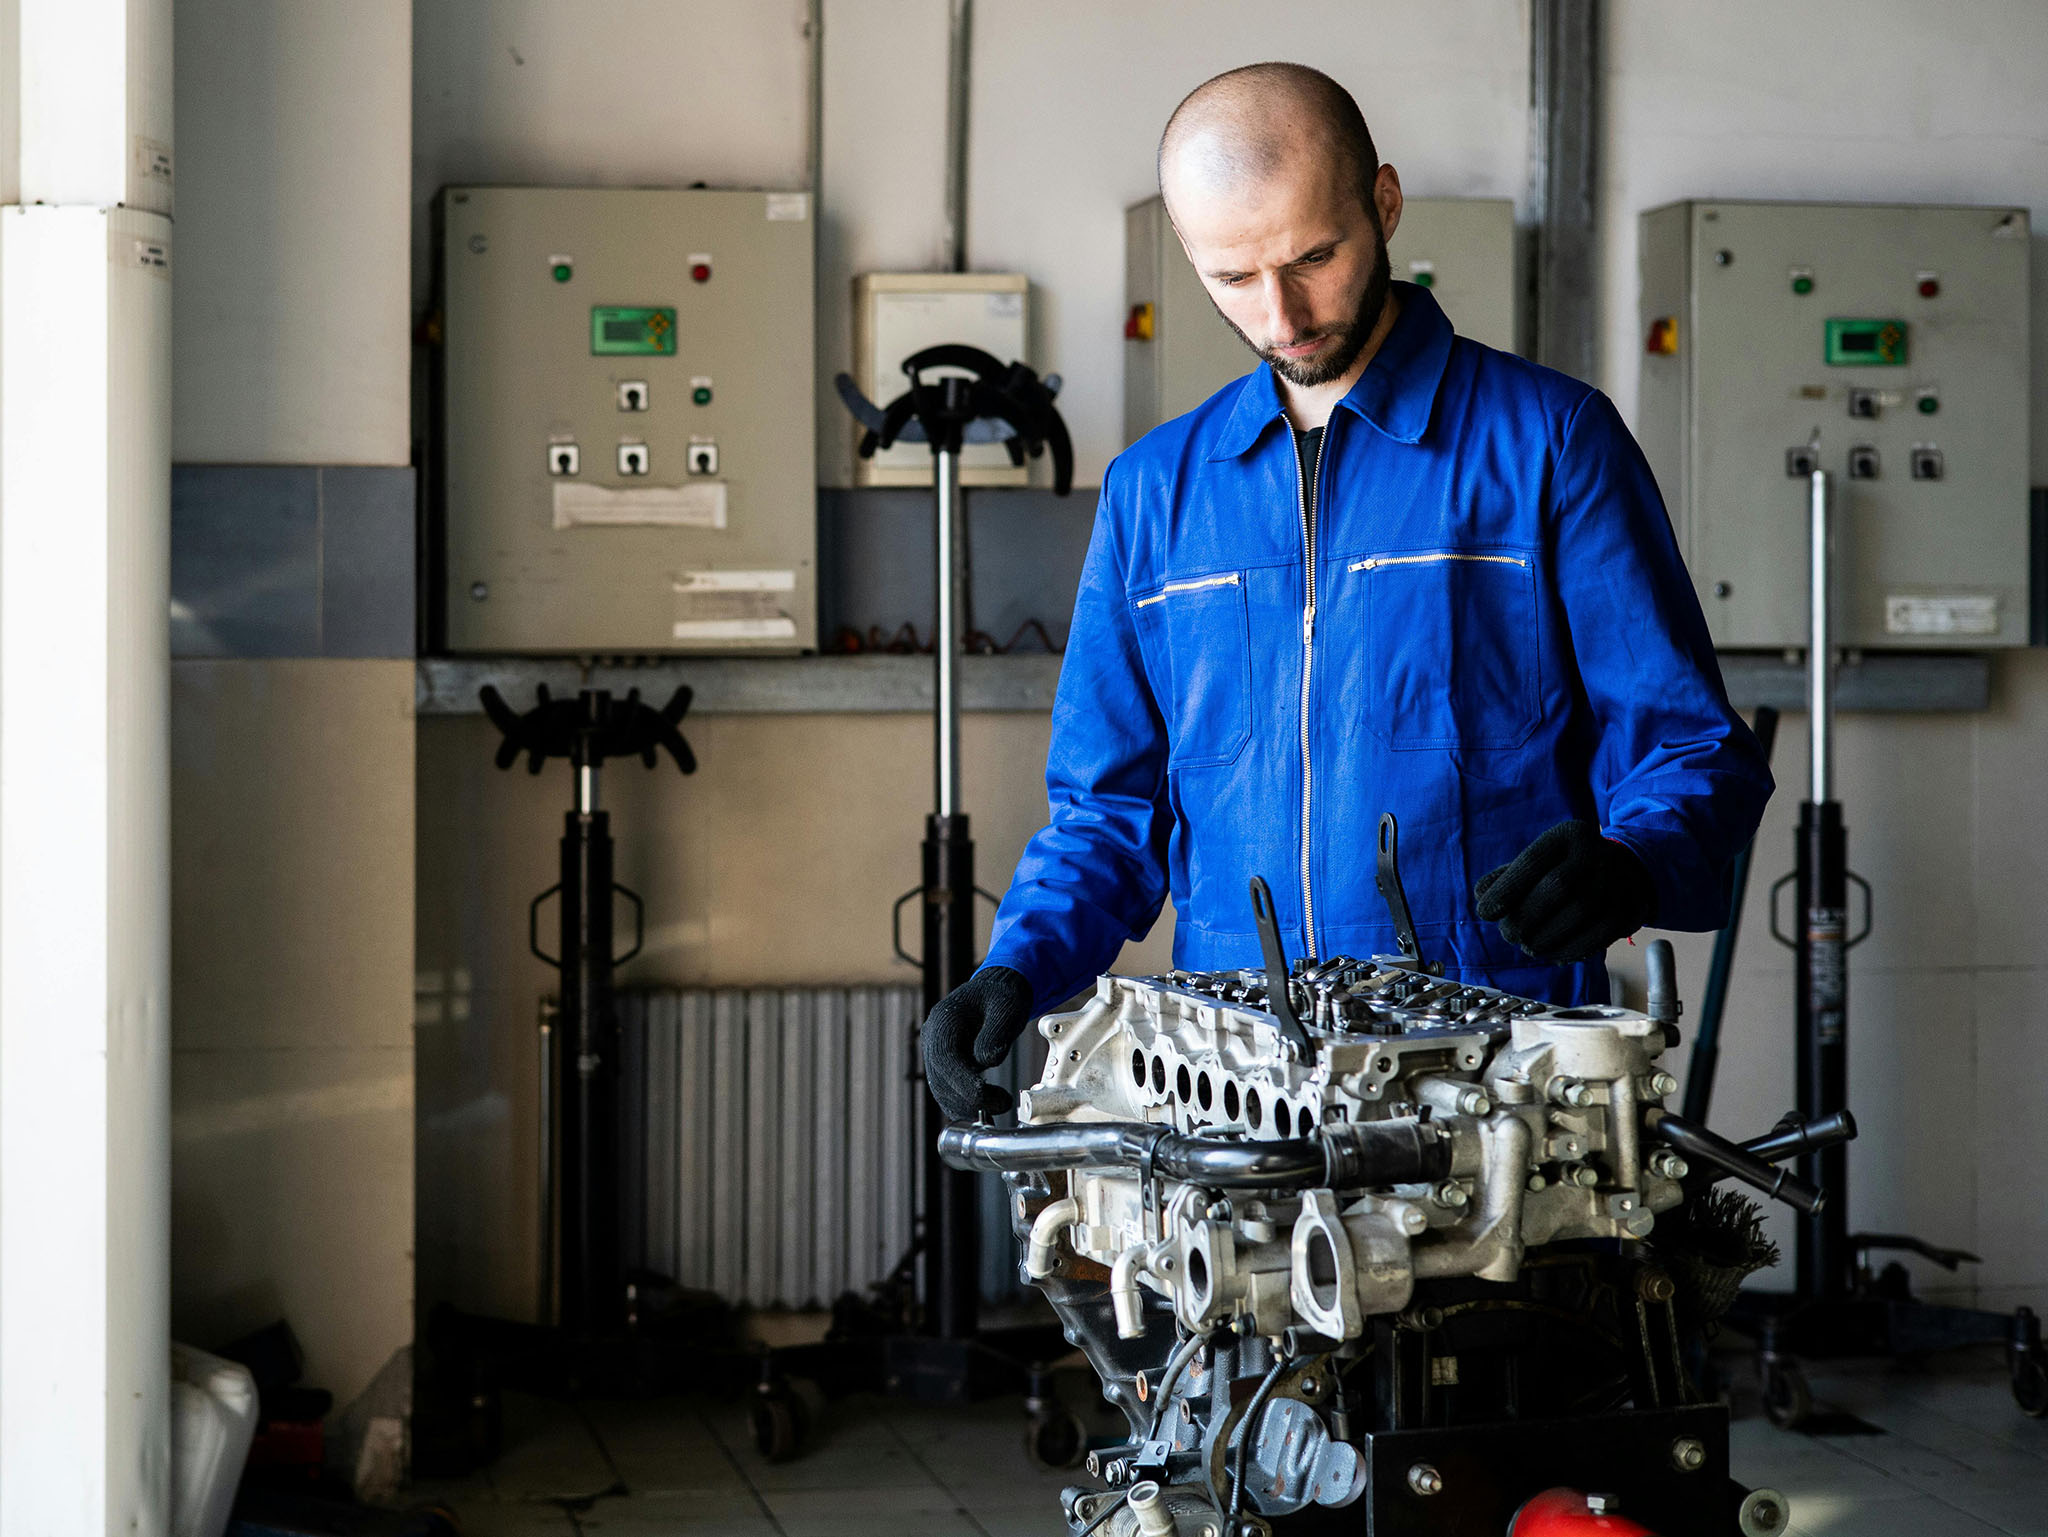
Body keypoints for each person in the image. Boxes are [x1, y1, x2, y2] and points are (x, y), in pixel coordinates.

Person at [923, 62, 1772, 1123]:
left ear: (1381, 203)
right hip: (1231, 1079)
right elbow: (1107, 809)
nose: (1280, 314)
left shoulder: (1546, 444)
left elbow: (1690, 749)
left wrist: (1631, 864)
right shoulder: (1155, 492)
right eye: (1232, 277)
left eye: (1311, 257)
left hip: (1491, 1072)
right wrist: (1016, 965)